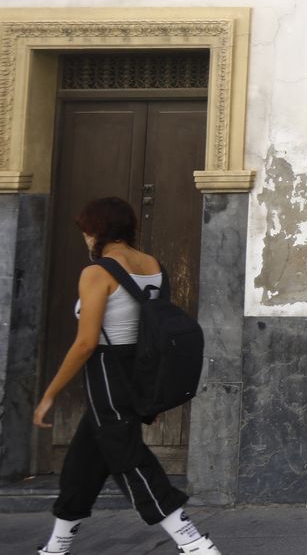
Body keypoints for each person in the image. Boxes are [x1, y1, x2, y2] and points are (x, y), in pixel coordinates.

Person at [32, 197, 220, 555]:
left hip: (106, 369)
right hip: (140, 367)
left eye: (86, 231)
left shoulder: (96, 272)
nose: (86, 239)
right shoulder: (153, 265)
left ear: (96, 231)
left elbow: (86, 342)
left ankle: (192, 541)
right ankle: (56, 547)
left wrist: (50, 394)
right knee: (82, 463)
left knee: (127, 456)